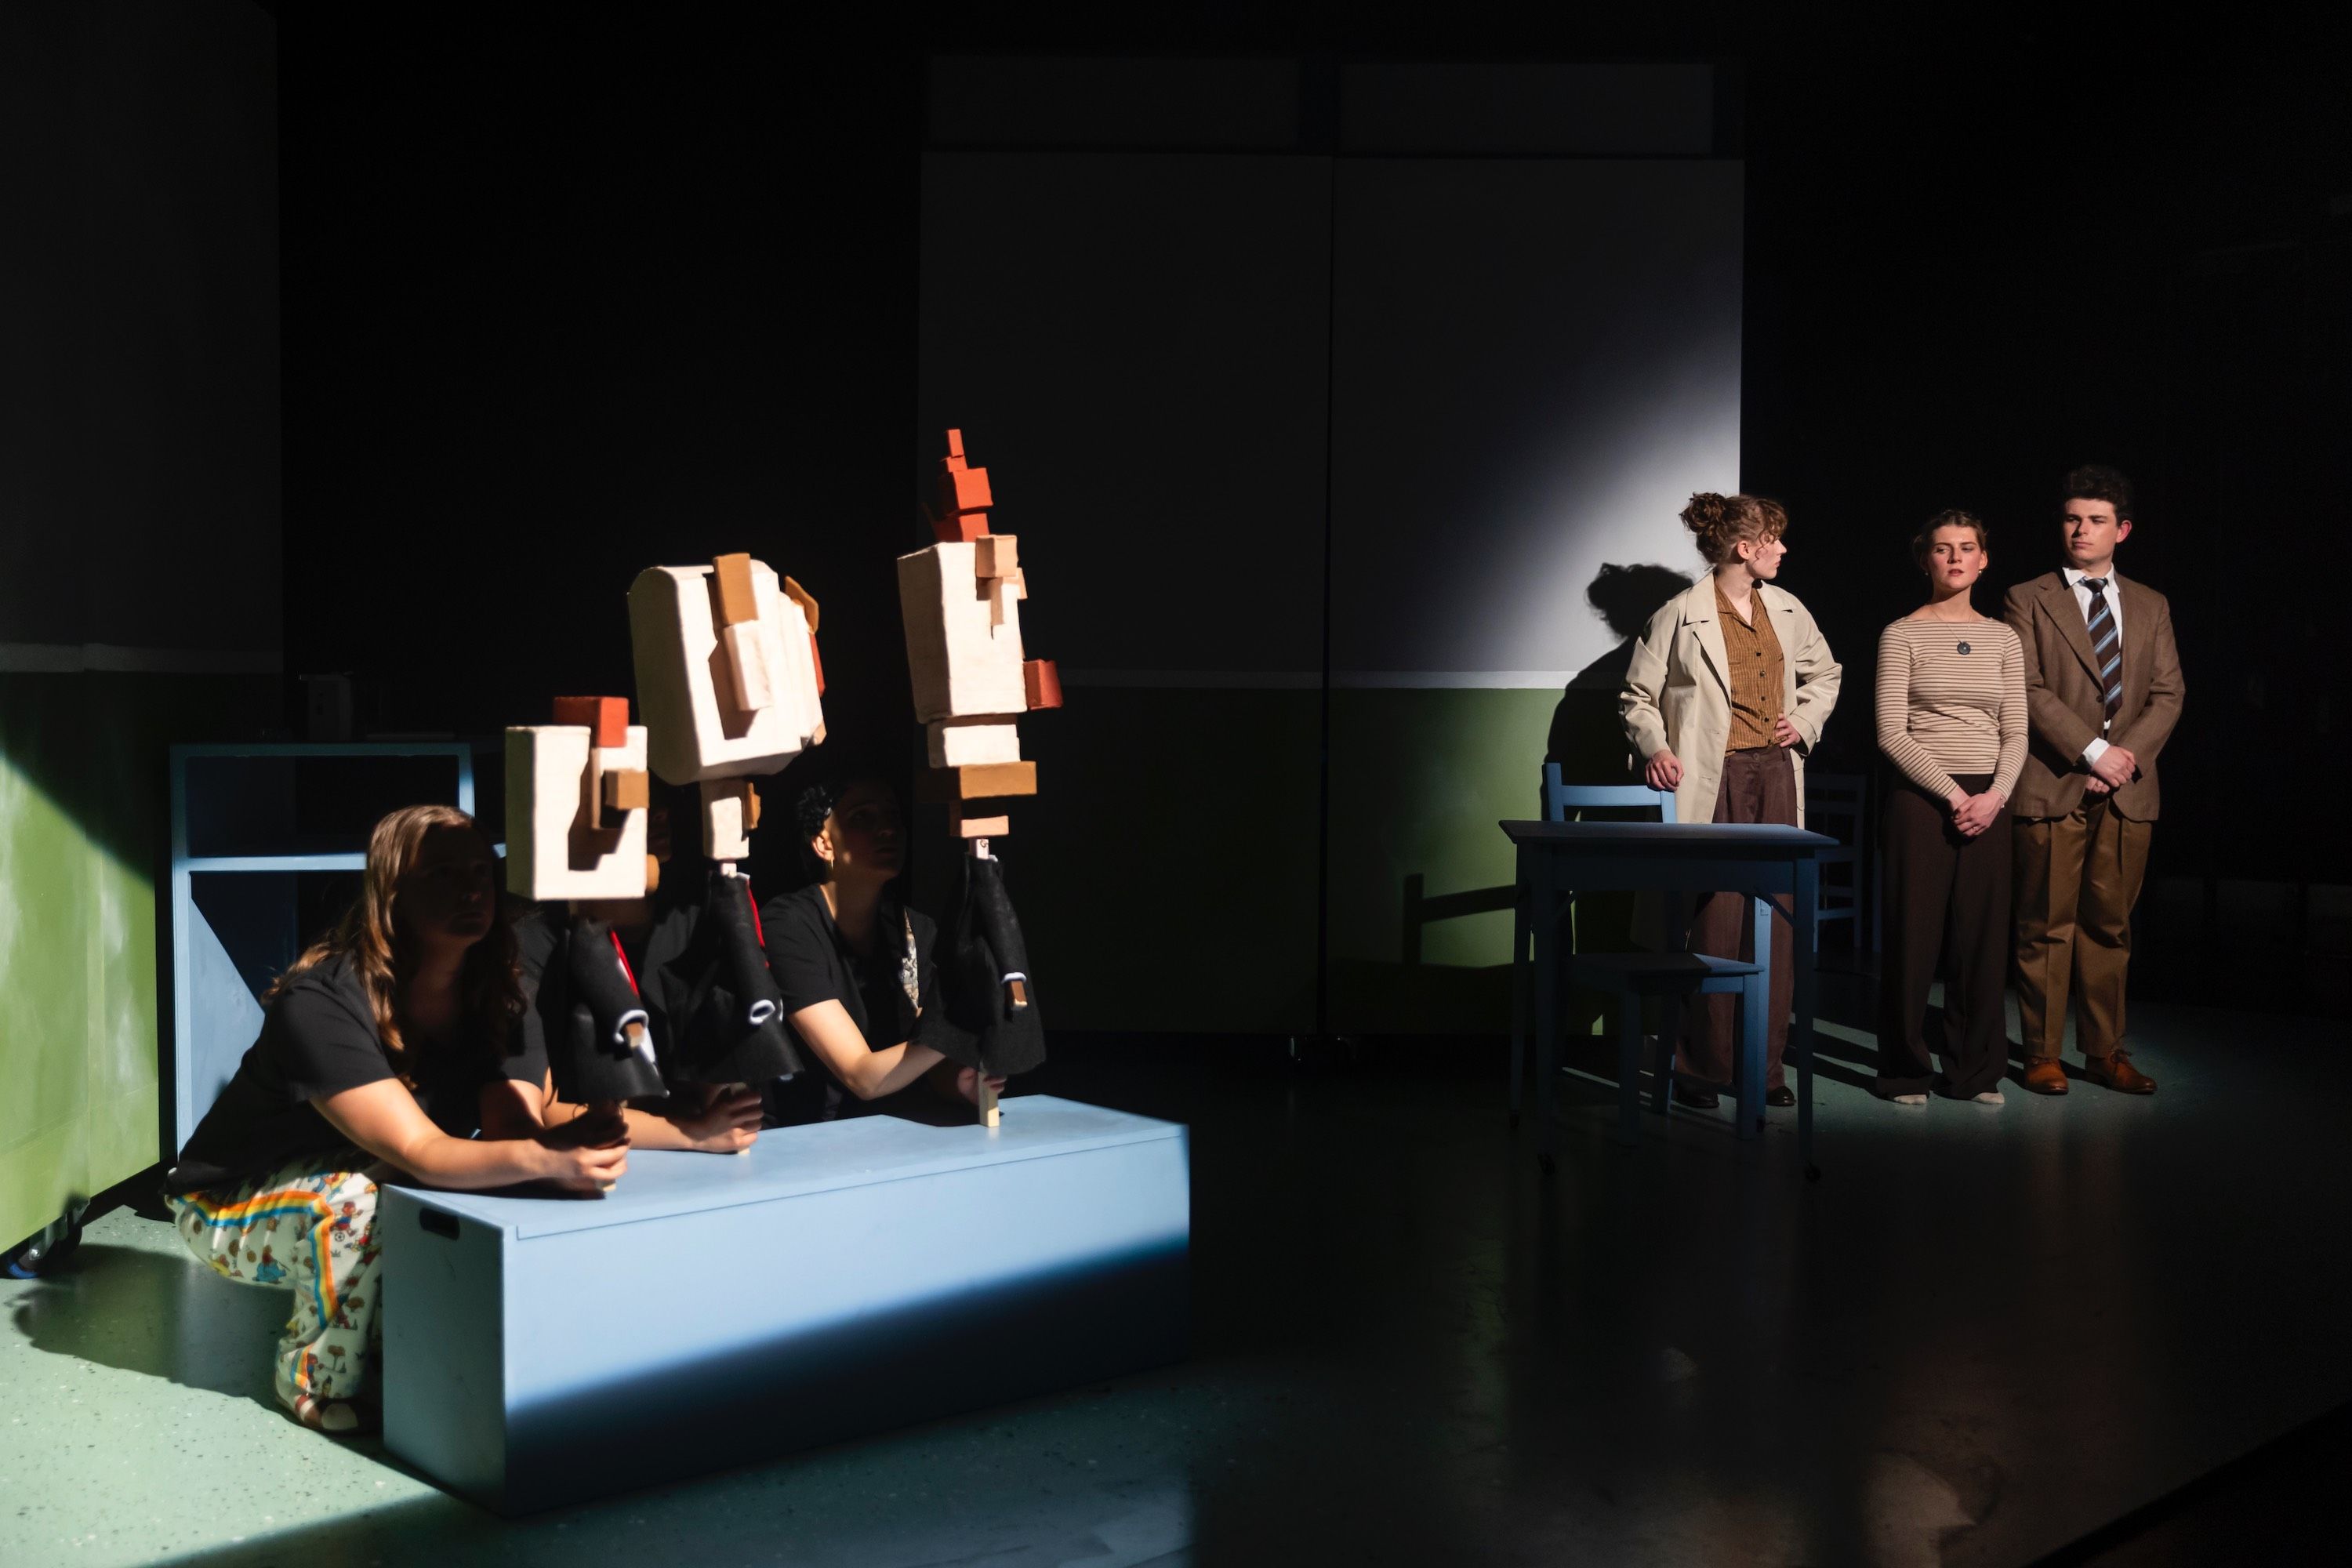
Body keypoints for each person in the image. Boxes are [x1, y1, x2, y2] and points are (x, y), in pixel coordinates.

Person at [164, 806, 628, 1435]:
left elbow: (511, 1129)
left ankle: (388, 1341)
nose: (471, 889)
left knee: (472, 1180)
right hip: (227, 1202)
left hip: (360, 1166)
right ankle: (311, 1378)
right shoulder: (323, 999)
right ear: (392, 893)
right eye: (441, 874)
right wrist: (546, 1157)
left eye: (479, 873)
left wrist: (682, 1133)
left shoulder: (497, 991)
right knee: (358, 1201)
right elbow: (423, 1150)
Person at [1620, 492, 1843, 1109]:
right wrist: (1656, 747)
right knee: (1715, 921)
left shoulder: (1789, 610)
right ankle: (1703, 1070)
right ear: (1746, 548)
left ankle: (1765, 1070)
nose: (1783, 549)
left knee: (1777, 920)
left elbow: (1827, 674)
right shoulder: (1680, 613)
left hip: (1774, 772)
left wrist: (1804, 720)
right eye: (1775, 539)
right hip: (1711, 778)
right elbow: (1637, 695)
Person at [2002, 465, 2184, 1095]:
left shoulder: (2151, 604)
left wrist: (2121, 758)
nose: (2081, 530)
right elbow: (2025, 688)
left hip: (2127, 788)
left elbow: (2168, 693)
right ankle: (2041, 1053)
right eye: (2073, 518)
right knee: (2045, 924)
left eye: (2096, 520)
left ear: (2122, 530)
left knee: (2110, 926)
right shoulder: (2027, 597)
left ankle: (2105, 1052)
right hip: (2055, 781)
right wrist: (2091, 751)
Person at [496, 802, 768, 1152]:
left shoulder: (697, 917)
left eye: (657, 801)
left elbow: (727, 1078)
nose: (657, 814)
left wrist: (719, 1096)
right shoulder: (533, 944)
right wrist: (693, 1133)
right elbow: (547, 1109)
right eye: (621, 805)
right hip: (597, 1157)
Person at [1872, 511, 2027, 1105]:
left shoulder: (2003, 637)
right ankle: (1905, 1070)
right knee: (1914, 937)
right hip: (1922, 797)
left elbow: (2016, 730)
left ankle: (1974, 1070)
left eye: (1967, 548)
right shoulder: (1902, 633)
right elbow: (1891, 732)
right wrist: (1956, 794)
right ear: (1926, 560)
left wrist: (1995, 795)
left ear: (1984, 560)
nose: (1956, 558)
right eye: (1943, 549)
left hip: (1991, 797)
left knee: (1982, 942)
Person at [758, 771, 1002, 1123]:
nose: (887, 829)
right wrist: (960, 1027)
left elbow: (925, 1064)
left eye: (892, 816)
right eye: (862, 818)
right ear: (824, 844)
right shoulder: (789, 925)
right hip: (801, 1134)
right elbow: (862, 1076)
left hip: (888, 1127)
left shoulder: (914, 930)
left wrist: (962, 1083)